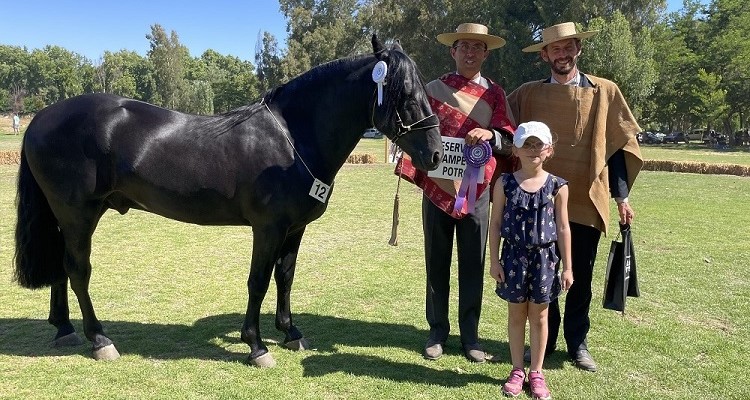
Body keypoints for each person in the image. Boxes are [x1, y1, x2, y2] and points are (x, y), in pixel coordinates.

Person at [507, 22, 643, 372]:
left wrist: (622, 197)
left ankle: (578, 342)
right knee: (544, 277)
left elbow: (617, 148)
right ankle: (545, 340)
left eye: (569, 47)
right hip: (538, 205)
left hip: (585, 199)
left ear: (578, 49)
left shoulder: (605, 92)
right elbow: (503, 130)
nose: (563, 54)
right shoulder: (527, 94)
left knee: (579, 276)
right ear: (544, 55)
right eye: (556, 49)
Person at [396, 22, 515, 362]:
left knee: (473, 264)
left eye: (477, 47)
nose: (469, 52)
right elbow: (416, 129)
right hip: (436, 189)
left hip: (476, 193)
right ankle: (437, 331)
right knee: (436, 262)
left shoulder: (495, 94)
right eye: (463, 46)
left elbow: (509, 140)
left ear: (485, 53)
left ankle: (471, 336)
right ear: (453, 51)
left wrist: (491, 135)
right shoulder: (433, 89)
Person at [489, 121, 573, 399]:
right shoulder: (504, 183)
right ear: (515, 149)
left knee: (540, 316)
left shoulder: (558, 187)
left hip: (545, 259)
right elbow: (496, 223)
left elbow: (563, 228)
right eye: (527, 144)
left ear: (549, 150)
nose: (533, 150)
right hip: (513, 256)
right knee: (516, 315)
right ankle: (516, 370)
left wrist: (568, 267)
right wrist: (494, 261)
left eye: (539, 144)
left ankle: (536, 372)